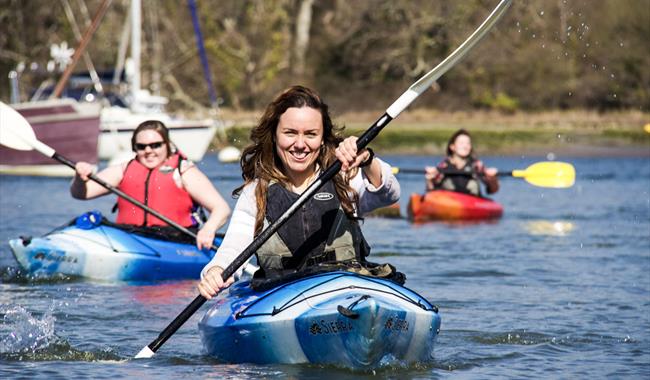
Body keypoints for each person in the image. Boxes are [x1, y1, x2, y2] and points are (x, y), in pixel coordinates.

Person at [197, 85, 401, 298]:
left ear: (322, 138)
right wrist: (215, 271)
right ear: (275, 135)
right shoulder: (256, 193)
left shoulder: (345, 177)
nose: (300, 144)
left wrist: (367, 159)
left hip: (345, 294)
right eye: (290, 133)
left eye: (311, 134)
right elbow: (233, 247)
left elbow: (389, 194)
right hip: (281, 300)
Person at [70, 120, 231, 250]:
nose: (148, 150)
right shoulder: (124, 170)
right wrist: (79, 177)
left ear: (167, 144)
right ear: (135, 148)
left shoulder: (184, 171)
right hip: (130, 237)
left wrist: (208, 230)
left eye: (156, 145)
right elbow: (82, 193)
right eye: (141, 146)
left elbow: (221, 209)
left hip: (175, 240)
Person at [424, 129, 499, 196]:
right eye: (461, 143)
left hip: (472, 203)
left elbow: (492, 191)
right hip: (449, 202)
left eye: (468, 143)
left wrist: (492, 179)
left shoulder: (476, 165)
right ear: (452, 147)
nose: (465, 146)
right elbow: (431, 191)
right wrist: (430, 179)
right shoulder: (444, 165)